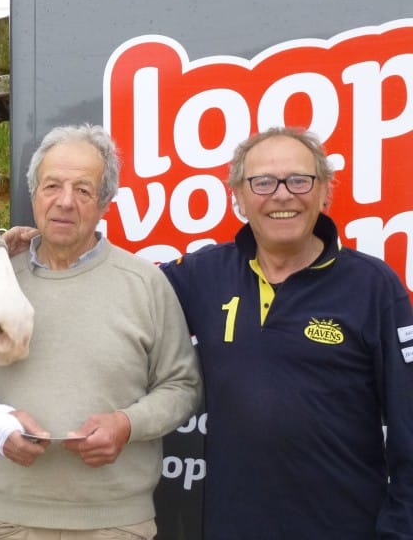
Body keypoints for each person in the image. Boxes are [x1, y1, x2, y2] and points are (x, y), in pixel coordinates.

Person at [0, 124, 201, 540]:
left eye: (83, 190)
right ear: (33, 194)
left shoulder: (144, 283)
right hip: (15, 523)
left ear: (104, 204)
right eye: (52, 186)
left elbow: (182, 387)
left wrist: (126, 424)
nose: (65, 202)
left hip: (119, 524)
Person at [160, 127, 413, 539]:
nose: (282, 195)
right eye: (262, 182)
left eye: (299, 180)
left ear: (324, 192)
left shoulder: (373, 286)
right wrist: (30, 250)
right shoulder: (204, 275)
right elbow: (120, 293)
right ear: (238, 196)